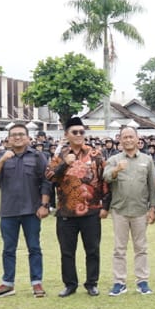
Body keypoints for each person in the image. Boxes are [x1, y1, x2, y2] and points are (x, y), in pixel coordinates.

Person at [47, 117, 109, 297]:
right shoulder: (60, 155)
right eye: (75, 132)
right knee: (67, 251)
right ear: (67, 135)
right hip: (66, 211)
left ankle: (92, 283)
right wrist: (65, 163)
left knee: (92, 249)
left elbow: (104, 181)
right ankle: (70, 284)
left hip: (91, 210)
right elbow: (50, 177)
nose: (79, 135)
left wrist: (105, 205)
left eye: (82, 132)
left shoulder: (95, 154)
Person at [0, 121, 52, 298]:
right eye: (13, 135)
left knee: (34, 247)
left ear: (28, 138)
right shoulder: (2, 156)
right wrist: (2, 159)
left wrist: (44, 205)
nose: (17, 137)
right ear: (8, 139)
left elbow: (46, 182)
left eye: (21, 134)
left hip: (31, 211)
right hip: (8, 211)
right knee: (8, 248)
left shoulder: (37, 156)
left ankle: (37, 283)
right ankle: (8, 284)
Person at [103, 125, 155, 295]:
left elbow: (152, 185)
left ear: (137, 139)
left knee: (141, 247)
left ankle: (142, 281)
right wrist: (116, 170)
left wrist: (153, 207)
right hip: (119, 210)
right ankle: (119, 282)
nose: (127, 140)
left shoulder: (147, 160)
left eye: (130, 137)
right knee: (119, 248)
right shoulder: (114, 159)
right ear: (119, 139)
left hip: (141, 210)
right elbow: (105, 177)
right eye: (124, 137)